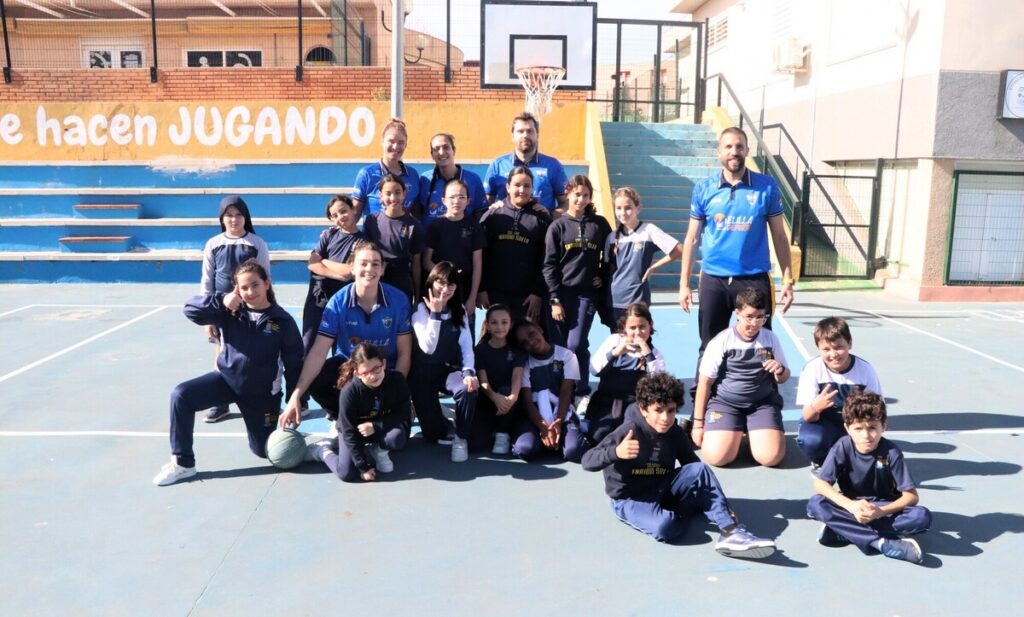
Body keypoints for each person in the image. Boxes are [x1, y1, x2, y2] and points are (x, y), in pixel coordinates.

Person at [581, 372, 777, 558]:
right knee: (666, 528)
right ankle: (690, 509)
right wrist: (616, 452)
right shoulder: (629, 431)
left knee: (701, 470)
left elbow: (693, 468)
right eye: (658, 410)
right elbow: (587, 461)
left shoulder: (674, 432)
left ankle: (730, 531)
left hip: (662, 486)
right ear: (643, 409)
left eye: (671, 410)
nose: (665, 418)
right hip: (631, 498)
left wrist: (722, 506)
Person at [154, 261, 303, 486]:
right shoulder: (229, 312)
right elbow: (190, 309)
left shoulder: (282, 321)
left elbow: (294, 364)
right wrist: (221, 300)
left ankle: (311, 447)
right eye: (244, 288)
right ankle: (183, 464)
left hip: (261, 395)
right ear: (237, 289)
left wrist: (295, 400)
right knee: (181, 395)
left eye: (255, 285)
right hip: (225, 381)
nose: (250, 292)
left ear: (267, 283)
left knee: (266, 451)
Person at [678, 127, 795, 377]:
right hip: (714, 280)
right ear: (719, 152)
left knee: (762, 345)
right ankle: (705, 407)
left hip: (754, 279)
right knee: (709, 346)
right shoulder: (703, 188)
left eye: (739, 147)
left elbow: (779, 236)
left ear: (747, 151)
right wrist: (684, 284)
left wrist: (787, 278)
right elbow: (691, 238)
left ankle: (763, 404)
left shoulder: (767, 186)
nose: (734, 152)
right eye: (729, 147)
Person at [280, 242, 412, 426]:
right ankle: (343, 418)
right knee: (318, 378)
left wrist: (394, 390)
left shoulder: (398, 300)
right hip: (351, 369)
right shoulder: (337, 303)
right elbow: (318, 352)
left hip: (384, 370)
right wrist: (297, 394)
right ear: (352, 267)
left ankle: (380, 416)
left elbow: (405, 352)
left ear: (382, 269)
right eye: (363, 263)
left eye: (375, 264)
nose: (369, 269)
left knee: (394, 441)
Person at [808, 391, 931, 563]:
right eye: (858, 428)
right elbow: (820, 484)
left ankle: (843, 531)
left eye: (872, 427)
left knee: (921, 517)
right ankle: (880, 543)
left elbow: (911, 496)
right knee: (815, 504)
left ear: (884, 426)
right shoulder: (842, 447)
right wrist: (851, 506)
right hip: (852, 506)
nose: (866, 435)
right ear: (847, 428)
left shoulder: (891, 452)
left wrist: (879, 512)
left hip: (883, 509)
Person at [692, 287, 789, 467]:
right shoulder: (722, 341)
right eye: (749, 317)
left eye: (760, 317)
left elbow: (783, 378)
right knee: (717, 458)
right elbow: (704, 383)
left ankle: (753, 429)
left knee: (771, 458)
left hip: (761, 403)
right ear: (737, 313)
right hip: (725, 403)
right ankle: (736, 429)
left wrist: (780, 369)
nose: (755, 323)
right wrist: (698, 424)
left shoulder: (770, 339)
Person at [199, 195, 271, 423]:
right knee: (221, 354)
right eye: (229, 215)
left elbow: (266, 277)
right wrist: (208, 316)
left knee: (252, 354)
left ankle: (256, 398)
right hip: (221, 309)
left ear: (245, 217)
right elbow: (207, 280)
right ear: (222, 218)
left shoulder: (257, 244)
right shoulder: (213, 244)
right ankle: (220, 402)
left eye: (238, 214)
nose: (234, 219)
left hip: (250, 307)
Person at [542, 174, 611, 397]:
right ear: (568, 194)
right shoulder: (557, 226)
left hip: (586, 294)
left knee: (576, 343)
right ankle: (564, 388)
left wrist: (603, 274)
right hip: (560, 295)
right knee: (561, 346)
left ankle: (578, 389)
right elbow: (549, 264)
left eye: (585, 195)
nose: (580, 200)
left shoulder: (599, 224)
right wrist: (554, 299)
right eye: (577, 194)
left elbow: (611, 254)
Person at [308, 344, 412, 482]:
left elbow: (404, 412)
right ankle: (322, 451)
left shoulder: (397, 380)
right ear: (356, 373)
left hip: (377, 427)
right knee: (346, 473)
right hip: (355, 432)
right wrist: (363, 466)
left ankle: (379, 450)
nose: (373, 375)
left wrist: (376, 426)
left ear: (384, 363)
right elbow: (348, 430)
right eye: (365, 372)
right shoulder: (349, 391)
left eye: (376, 368)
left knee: (396, 438)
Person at [409, 262, 479, 462]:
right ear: (431, 282)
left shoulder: (460, 311)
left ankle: (461, 437)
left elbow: (467, 346)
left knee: (468, 389)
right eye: (441, 282)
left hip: (445, 371)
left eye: (451, 285)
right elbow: (428, 347)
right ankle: (431, 412)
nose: (445, 289)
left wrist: (468, 372)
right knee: (434, 436)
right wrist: (436, 314)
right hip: (421, 375)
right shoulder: (420, 310)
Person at [796, 317, 883, 468]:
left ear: (850, 344)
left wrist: (867, 434)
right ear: (818, 348)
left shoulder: (865, 370)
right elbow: (807, 416)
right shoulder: (812, 369)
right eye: (826, 349)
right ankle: (820, 461)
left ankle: (851, 453)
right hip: (823, 422)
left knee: (871, 456)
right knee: (811, 440)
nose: (834, 354)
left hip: (854, 423)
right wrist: (817, 406)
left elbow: (877, 412)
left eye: (838, 347)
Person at [301, 194, 365, 371]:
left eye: (343, 211)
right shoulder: (329, 235)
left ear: (353, 210)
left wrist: (325, 261)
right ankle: (301, 394)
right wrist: (336, 274)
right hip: (318, 299)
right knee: (309, 345)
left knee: (342, 351)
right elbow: (313, 263)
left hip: (343, 303)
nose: (340, 218)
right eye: (334, 216)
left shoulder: (363, 241)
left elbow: (350, 270)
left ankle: (340, 393)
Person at [587, 303, 666, 445]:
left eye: (642, 327)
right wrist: (615, 352)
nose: (638, 332)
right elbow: (594, 370)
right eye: (632, 328)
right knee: (598, 436)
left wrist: (647, 354)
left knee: (634, 435)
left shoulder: (654, 354)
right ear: (624, 328)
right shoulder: (614, 341)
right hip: (608, 401)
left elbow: (660, 384)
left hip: (635, 405)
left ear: (650, 326)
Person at [478, 166, 550, 322]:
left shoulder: (542, 218)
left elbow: (547, 259)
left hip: (527, 296)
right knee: (498, 337)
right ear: (508, 187)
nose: (522, 190)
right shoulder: (493, 215)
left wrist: (538, 293)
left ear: (532, 189)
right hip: (496, 293)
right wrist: (481, 289)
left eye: (527, 186)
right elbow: (480, 256)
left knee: (525, 339)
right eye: (517, 185)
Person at [511, 318, 587, 463]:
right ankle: (538, 440)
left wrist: (558, 422)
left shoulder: (567, 355)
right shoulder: (524, 363)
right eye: (524, 343)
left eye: (531, 334)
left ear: (540, 329)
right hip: (534, 416)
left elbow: (566, 393)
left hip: (561, 413)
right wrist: (542, 426)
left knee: (574, 450)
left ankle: (566, 435)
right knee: (525, 449)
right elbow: (527, 401)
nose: (530, 342)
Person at [604, 187, 681, 324]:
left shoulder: (648, 230)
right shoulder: (611, 237)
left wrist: (653, 268)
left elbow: (679, 250)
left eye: (628, 208)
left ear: (638, 208)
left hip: (638, 299)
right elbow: (607, 268)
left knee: (640, 339)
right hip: (615, 300)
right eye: (618, 208)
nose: (623, 212)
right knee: (619, 341)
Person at [423, 178, 486, 326]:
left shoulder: (474, 227)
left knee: (464, 332)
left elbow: (477, 264)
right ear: (443, 200)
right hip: (439, 290)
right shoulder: (436, 225)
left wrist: (472, 297)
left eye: (461, 197)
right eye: (452, 197)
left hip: (464, 291)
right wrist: (446, 275)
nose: (456, 201)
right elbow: (426, 261)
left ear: (468, 201)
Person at [484, 112, 568, 214]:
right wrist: (492, 208)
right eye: (520, 131)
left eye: (530, 131)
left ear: (537, 135)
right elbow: (486, 203)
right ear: (513, 136)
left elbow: (566, 202)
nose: (525, 135)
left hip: (542, 228)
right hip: (505, 227)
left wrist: (552, 216)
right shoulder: (497, 165)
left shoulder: (553, 166)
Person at [471, 304, 527, 455]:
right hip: (488, 400)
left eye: (504, 322)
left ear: (510, 324)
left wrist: (513, 397)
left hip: (510, 402)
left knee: (506, 390)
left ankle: (503, 432)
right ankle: (491, 427)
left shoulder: (517, 350)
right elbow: (483, 380)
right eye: (494, 322)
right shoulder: (480, 350)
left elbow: (517, 376)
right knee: (474, 445)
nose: (499, 327)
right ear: (487, 326)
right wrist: (494, 397)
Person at [363, 174, 426, 303]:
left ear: (404, 194)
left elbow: (416, 264)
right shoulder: (371, 221)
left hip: (401, 281)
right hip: (376, 278)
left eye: (397, 192)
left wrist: (418, 296)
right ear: (381, 196)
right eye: (388, 193)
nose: (393, 198)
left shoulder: (414, 224)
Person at [351, 118, 421, 216]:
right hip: (374, 231)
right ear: (382, 141)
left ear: (406, 145)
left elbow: (417, 214)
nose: (395, 146)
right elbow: (354, 214)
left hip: (404, 231)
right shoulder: (367, 174)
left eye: (401, 142)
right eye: (391, 141)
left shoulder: (412, 174)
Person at [415, 133, 487, 226]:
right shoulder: (425, 179)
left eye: (446, 147)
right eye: (436, 149)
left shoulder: (473, 179)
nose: (441, 152)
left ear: (454, 150)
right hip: (430, 238)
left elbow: (480, 212)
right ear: (432, 154)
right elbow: (417, 211)